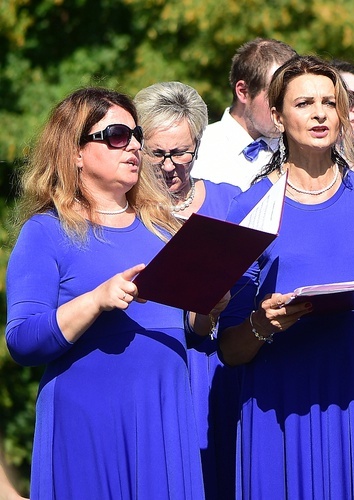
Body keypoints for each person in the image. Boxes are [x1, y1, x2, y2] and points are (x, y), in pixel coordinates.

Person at [5, 87, 216, 498]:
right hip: (89, 425)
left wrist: (208, 307)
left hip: (164, 418)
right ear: (76, 151)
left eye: (136, 135)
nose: (134, 145)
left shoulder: (163, 228)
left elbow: (190, 329)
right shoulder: (46, 232)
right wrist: (96, 300)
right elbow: (22, 341)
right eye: (117, 135)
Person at [218, 55, 354, 498]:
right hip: (277, 411)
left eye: (330, 102)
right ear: (278, 116)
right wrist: (260, 325)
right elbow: (229, 348)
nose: (320, 113)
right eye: (304, 102)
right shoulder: (250, 208)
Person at [134, 81, 242, 500]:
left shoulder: (231, 203)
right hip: (159, 376)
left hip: (222, 372)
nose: (170, 165)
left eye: (182, 152)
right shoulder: (126, 215)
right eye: (157, 153)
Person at [191, 38, 297, 190]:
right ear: (243, 92)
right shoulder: (197, 149)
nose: (285, 106)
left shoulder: (300, 151)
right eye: (276, 94)